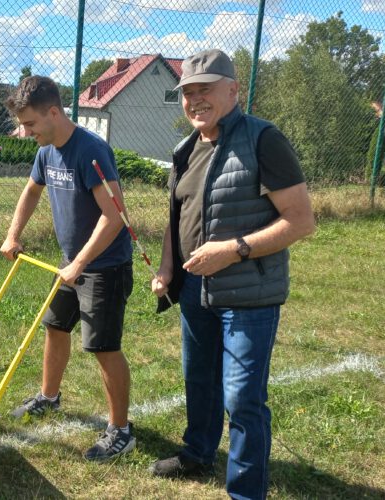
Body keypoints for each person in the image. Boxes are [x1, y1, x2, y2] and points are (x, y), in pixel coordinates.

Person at [148, 49, 316, 499]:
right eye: (188, 92)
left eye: (206, 89)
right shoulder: (183, 151)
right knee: (199, 382)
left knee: (243, 400)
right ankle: (198, 452)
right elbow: (174, 218)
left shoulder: (264, 139)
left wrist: (235, 250)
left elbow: (300, 221)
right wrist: (167, 268)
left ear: (233, 90)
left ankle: (244, 492)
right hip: (193, 291)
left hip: (249, 295)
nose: (195, 99)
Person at [0, 75, 135, 461]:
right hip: (71, 262)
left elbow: (115, 217)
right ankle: (49, 396)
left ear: (54, 112)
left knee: (103, 346)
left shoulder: (90, 152)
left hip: (104, 264)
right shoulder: (46, 151)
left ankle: (121, 431)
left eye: (30, 124)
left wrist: (80, 262)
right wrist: (13, 235)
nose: (25, 133)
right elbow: (31, 191)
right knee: (55, 327)